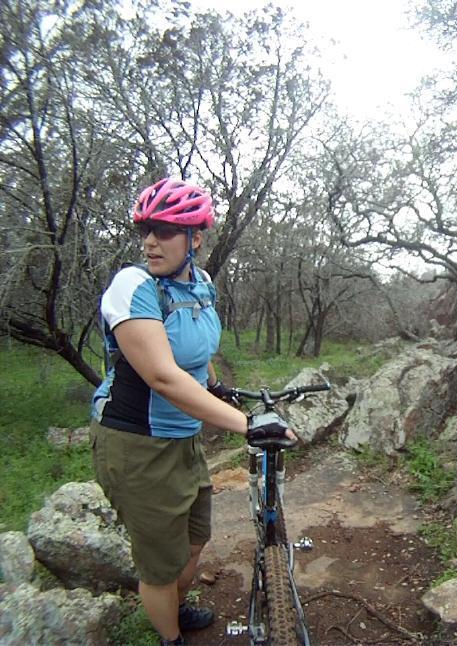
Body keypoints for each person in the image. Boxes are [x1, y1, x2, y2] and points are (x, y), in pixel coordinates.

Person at [91, 178, 292, 646]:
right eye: (146, 229)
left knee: (195, 539)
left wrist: (218, 388)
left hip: (184, 437)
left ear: (195, 239)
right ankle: (169, 638)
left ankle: (174, 606)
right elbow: (162, 376)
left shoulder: (201, 286)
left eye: (163, 230)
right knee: (160, 563)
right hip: (137, 443)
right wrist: (247, 425)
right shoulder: (133, 286)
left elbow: (196, 358)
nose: (150, 241)